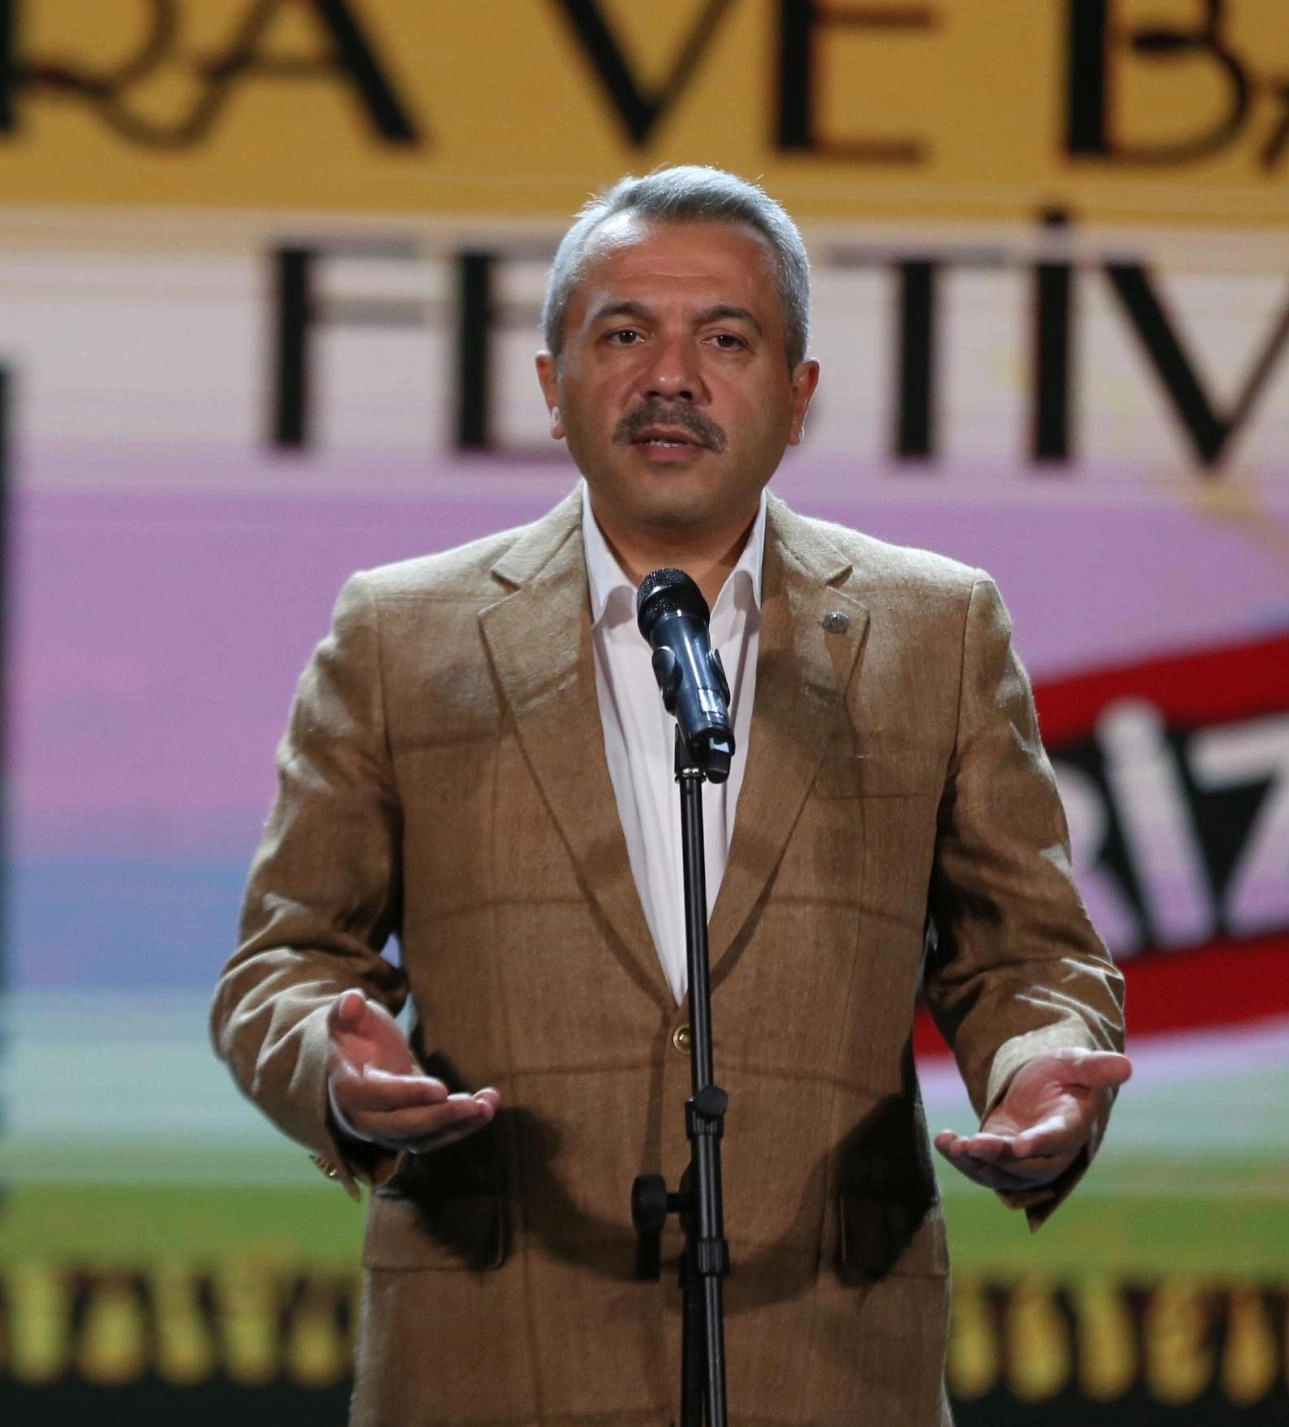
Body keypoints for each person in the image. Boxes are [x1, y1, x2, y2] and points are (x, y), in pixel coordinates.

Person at [212, 164, 1128, 1427]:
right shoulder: (402, 635)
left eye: (727, 339)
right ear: (552, 385)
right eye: (624, 335)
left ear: (798, 394)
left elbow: (1025, 952)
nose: (672, 378)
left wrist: (1036, 1065)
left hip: (826, 1358)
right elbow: (284, 960)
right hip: (493, 1354)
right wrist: (332, 1057)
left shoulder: (936, 629)